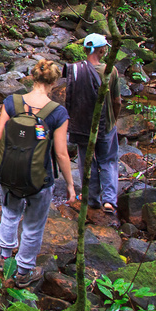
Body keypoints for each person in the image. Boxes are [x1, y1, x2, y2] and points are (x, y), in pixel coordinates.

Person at [0, 59, 75, 288]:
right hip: (40, 179)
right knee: (33, 225)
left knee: (9, 213)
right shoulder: (58, 113)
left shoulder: (12, 102)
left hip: (10, 173)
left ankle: (4, 261)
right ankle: (24, 272)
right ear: (54, 82)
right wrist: (71, 185)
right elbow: (62, 154)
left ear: (32, 77)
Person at [64, 33, 122, 215]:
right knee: (108, 161)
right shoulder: (111, 71)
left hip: (83, 126)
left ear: (84, 49)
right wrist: (114, 119)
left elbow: (71, 99)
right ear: (103, 50)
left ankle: (91, 197)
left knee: (86, 162)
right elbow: (117, 101)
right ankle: (109, 201)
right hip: (106, 126)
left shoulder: (75, 70)